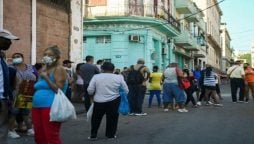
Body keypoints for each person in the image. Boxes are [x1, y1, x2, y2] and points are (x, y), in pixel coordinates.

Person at [32, 45, 68, 144]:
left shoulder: (58, 69)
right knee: (39, 136)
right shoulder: (44, 70)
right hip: (37, 106)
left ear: (56, 57)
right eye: (45, 54)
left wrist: (46, 78)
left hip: (51, 106)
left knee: (51, 136)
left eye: (49, 55)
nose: (46, 56)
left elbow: (58, 89)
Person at [87, 62, 128, 140]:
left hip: (98, 100)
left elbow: (90, 90)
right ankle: (110, 135)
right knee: (112, 118)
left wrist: (92, 95)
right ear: (113, 69)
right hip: (114, 100)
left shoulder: (96, 77)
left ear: (102, 69)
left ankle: (93, 135)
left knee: (96, 118)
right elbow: (126, 90)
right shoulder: (119, 77)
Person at [8, 52, 36, 138]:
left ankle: (30, 129)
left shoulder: (30, 67)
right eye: (14, 57)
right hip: (16, 93)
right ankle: (10, 130)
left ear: (22, 58)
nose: (16, 58)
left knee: (26, 112)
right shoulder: (10, 68)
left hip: (27, 92)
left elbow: (36, 77)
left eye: (18, 56)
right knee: (14, 112)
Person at [0, 29, 19, 144]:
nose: (10, 43)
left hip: (4, 99)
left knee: (2, 130)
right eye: (7, 40)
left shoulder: (2, 59)